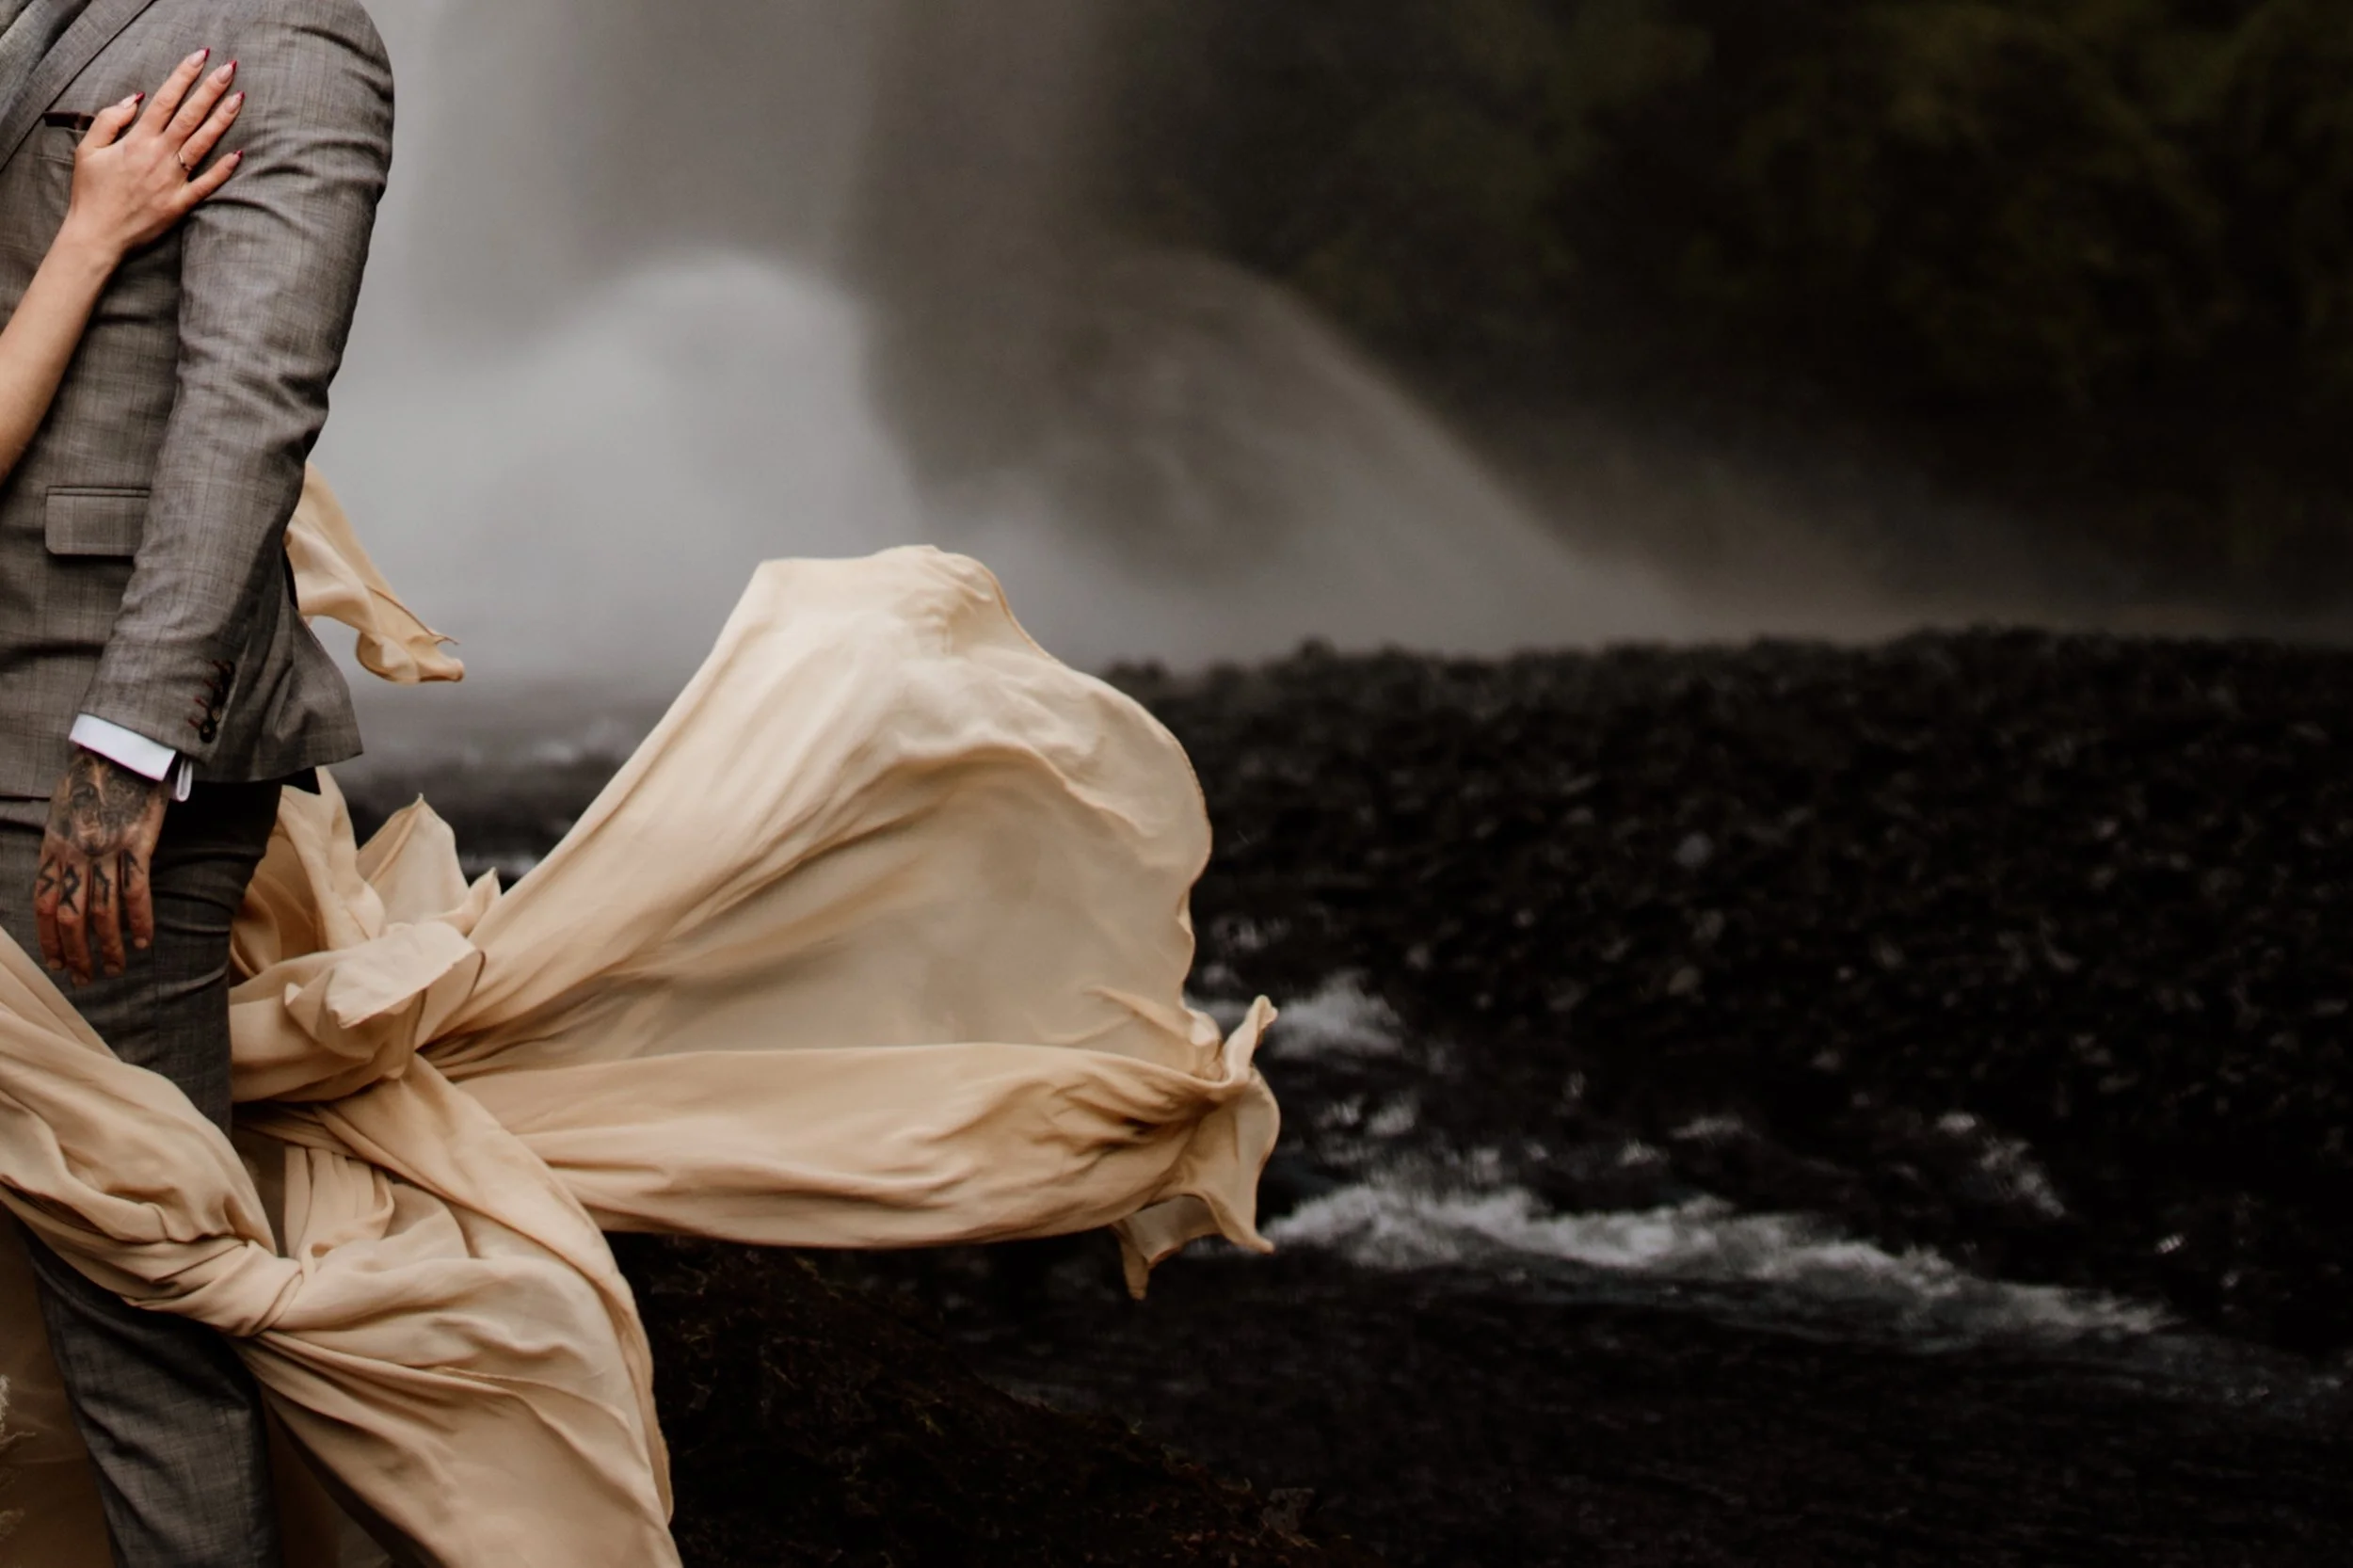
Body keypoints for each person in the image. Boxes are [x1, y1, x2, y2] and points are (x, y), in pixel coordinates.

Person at [0, 3, 393, 1564]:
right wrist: (87, 235)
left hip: (78, 729)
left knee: (131, 1283)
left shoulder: (284, 34)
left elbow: (250, 404)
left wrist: (129, 739)